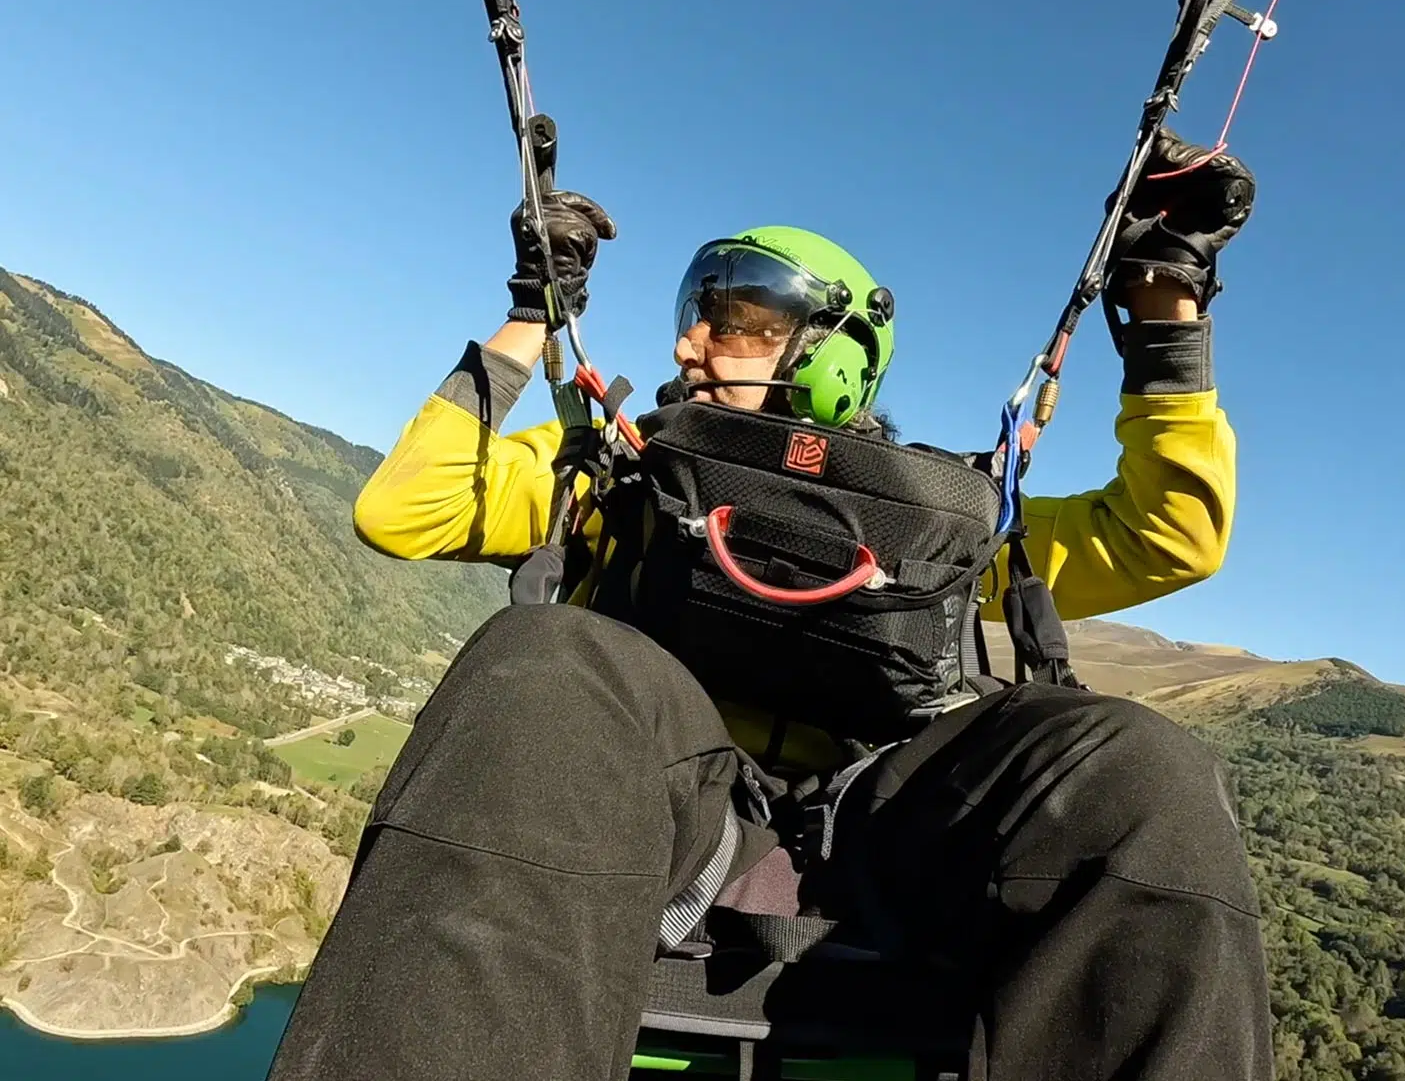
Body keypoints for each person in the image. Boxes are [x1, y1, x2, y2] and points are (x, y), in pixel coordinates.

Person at [266, 128, 1274, 1081]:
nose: (698, 340)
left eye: (741, 321)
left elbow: (1167, 531)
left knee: (1143, 770)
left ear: (831, 352)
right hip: (661, 808)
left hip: (900, 833)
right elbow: (406, 508)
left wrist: (1164, 312)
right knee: (544, 661)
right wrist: (533, 312)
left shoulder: (931, 521)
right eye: (698, 313)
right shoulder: (626, 475)